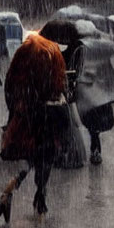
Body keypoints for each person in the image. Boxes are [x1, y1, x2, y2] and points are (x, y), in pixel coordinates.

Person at [0, 33, 67, 221]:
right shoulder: (53, 54)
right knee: (46, 156)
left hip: (26, 115)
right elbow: (59, 85)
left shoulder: (23, 54)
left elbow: (10, 83)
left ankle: (8, 191)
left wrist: (15, 109)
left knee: (30, 156)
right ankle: (40, 196)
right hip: (47, 116)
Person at [38, 20, 87, 169]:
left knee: (58, 124)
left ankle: (59, 153)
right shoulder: (78, 46)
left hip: (60, 91)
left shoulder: (57, 51)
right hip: (69, 88)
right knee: (68, 122)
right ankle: (67, 153)